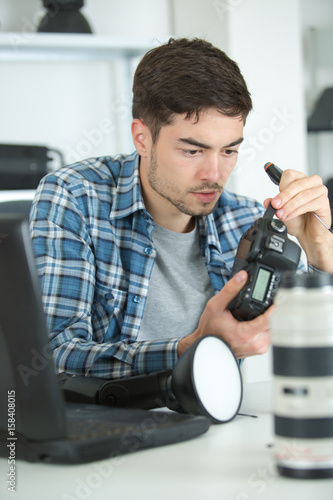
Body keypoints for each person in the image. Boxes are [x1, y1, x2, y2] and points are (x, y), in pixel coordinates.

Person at [29, 38, 333, 380]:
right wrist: (191, 349)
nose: (214, 176)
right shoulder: (74, 197)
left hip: (217, 424)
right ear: (142, 138)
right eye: (192, 151)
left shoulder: (245, 222)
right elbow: (52, 355)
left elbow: (318, 344)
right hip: (105, 425)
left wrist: (322, 251)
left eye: (229, 151)